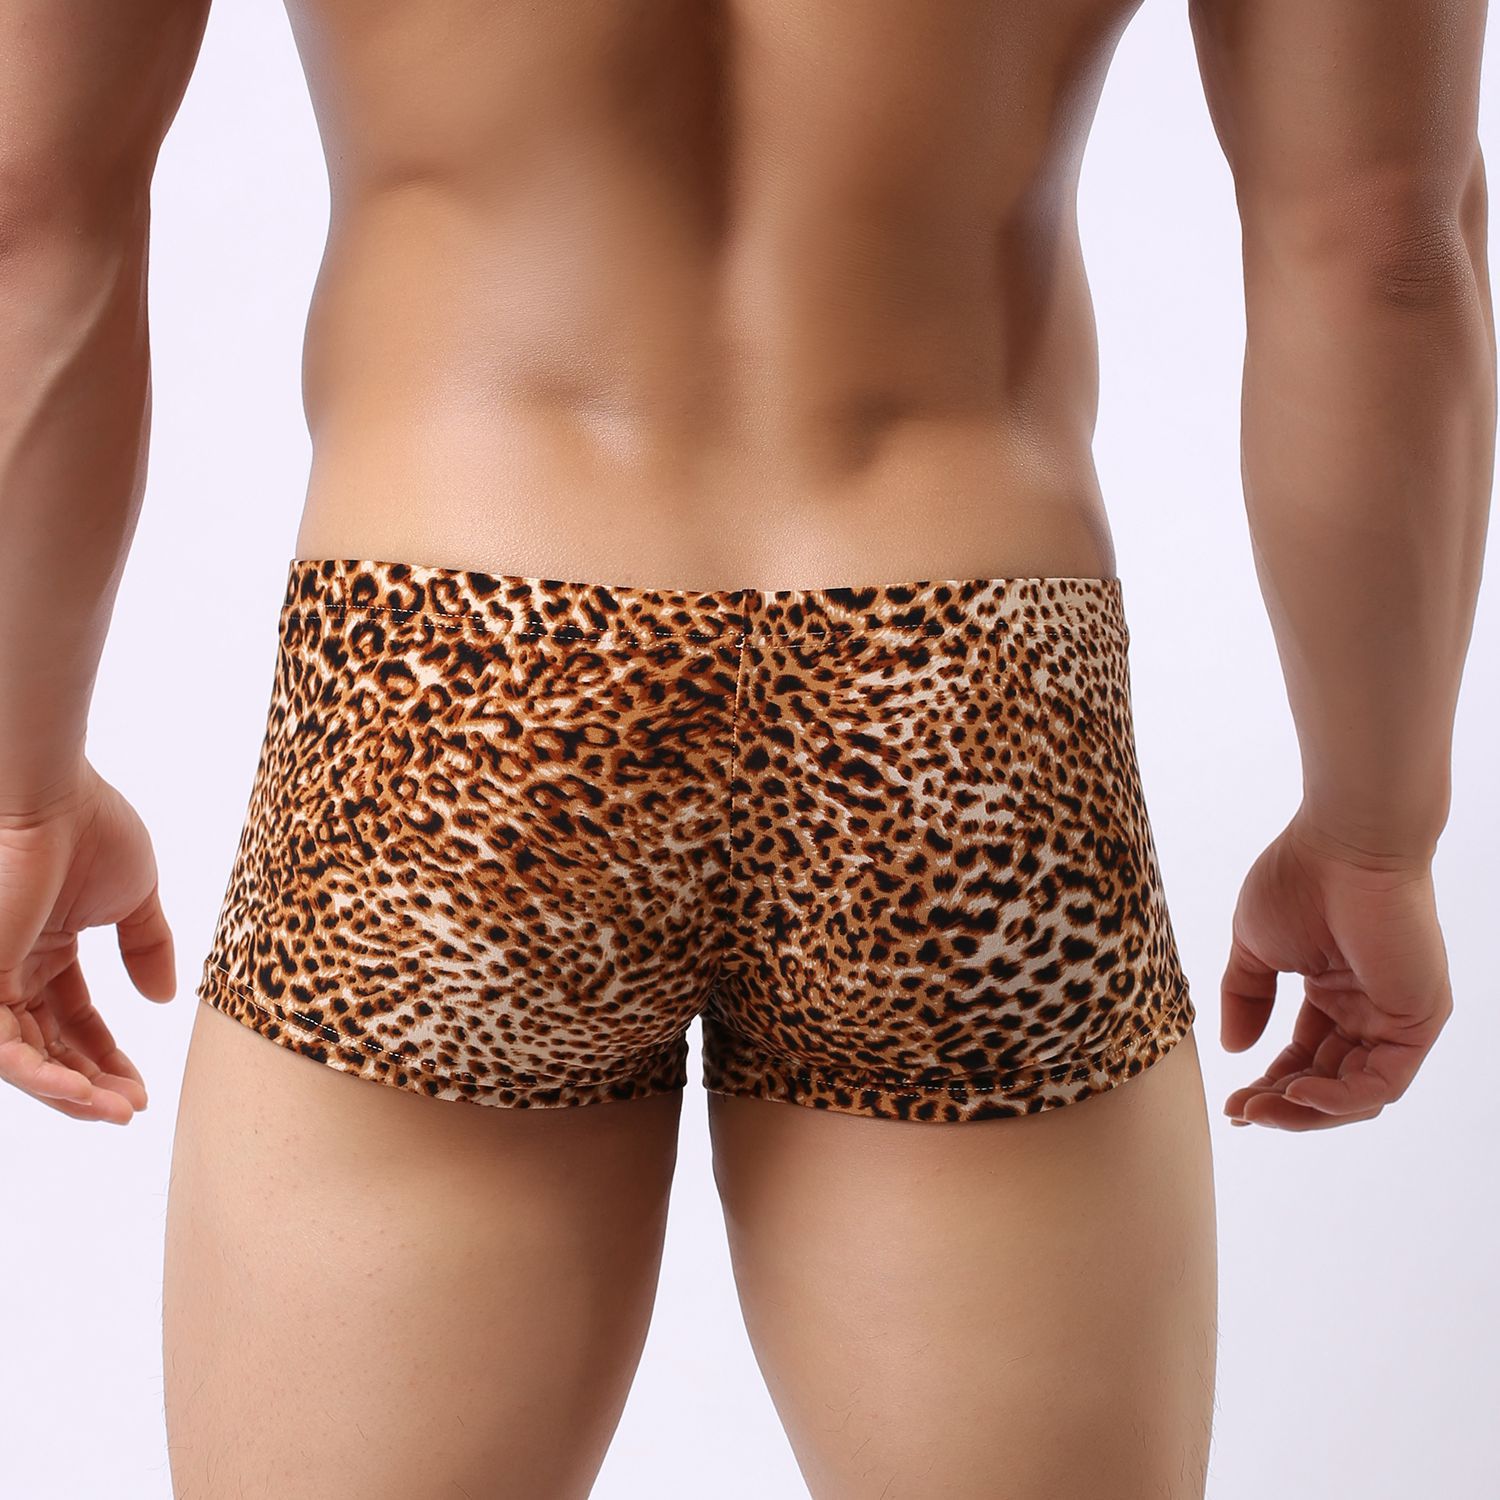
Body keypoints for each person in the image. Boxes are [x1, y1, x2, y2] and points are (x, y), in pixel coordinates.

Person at [0, 0, 1491, 1494]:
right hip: (964, 699)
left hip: (455, 683)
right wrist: (1375, 828)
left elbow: (34, 211)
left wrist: (21, 787)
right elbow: (1380, 243)